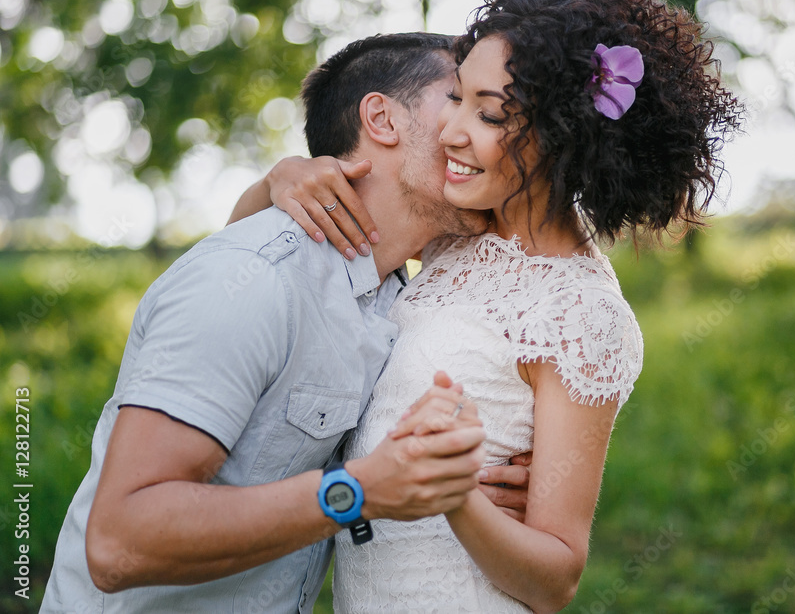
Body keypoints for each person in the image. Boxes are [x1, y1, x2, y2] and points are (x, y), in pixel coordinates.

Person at [233, 0, 742, 612]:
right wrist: (279, 180)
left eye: (489, 113)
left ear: (563, 134)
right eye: (457, 100)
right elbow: (257, 260)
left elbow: (555, 577)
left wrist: (458, 499)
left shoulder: (580, 313)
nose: (450, 132)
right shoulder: (454, 238)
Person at [40, 32, 532, 614]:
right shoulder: (254, 282)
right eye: (458, 99)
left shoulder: (397, 294)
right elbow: (118, 542)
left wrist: (462, 477)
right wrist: (361, 492)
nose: (491, 132)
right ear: (381, 118)